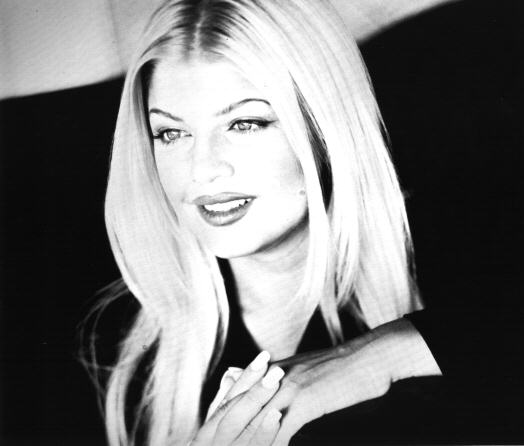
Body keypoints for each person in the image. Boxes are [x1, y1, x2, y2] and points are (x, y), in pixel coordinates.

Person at [90, 0, 447, 444]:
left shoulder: (450, 253)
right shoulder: (117, 343)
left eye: (245, 123)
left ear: (323, 128)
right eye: (171, 133)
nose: (202, 170)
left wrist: (375, 359)